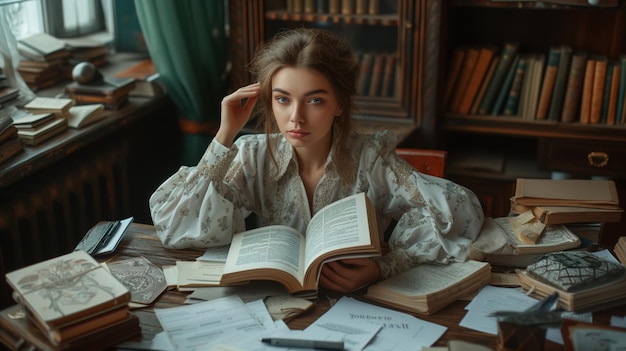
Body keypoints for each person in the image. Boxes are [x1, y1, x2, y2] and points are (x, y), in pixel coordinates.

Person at [149, 28, 484, 293]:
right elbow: (175, 226)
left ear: (339, 104)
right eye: (282, 99)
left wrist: (385, 266)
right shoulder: (252, 155)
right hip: (273, 303)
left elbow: (459, 209)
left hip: (360, 303)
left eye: (315, 101)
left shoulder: (370, 159)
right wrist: (224, 135)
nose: (296, 117)